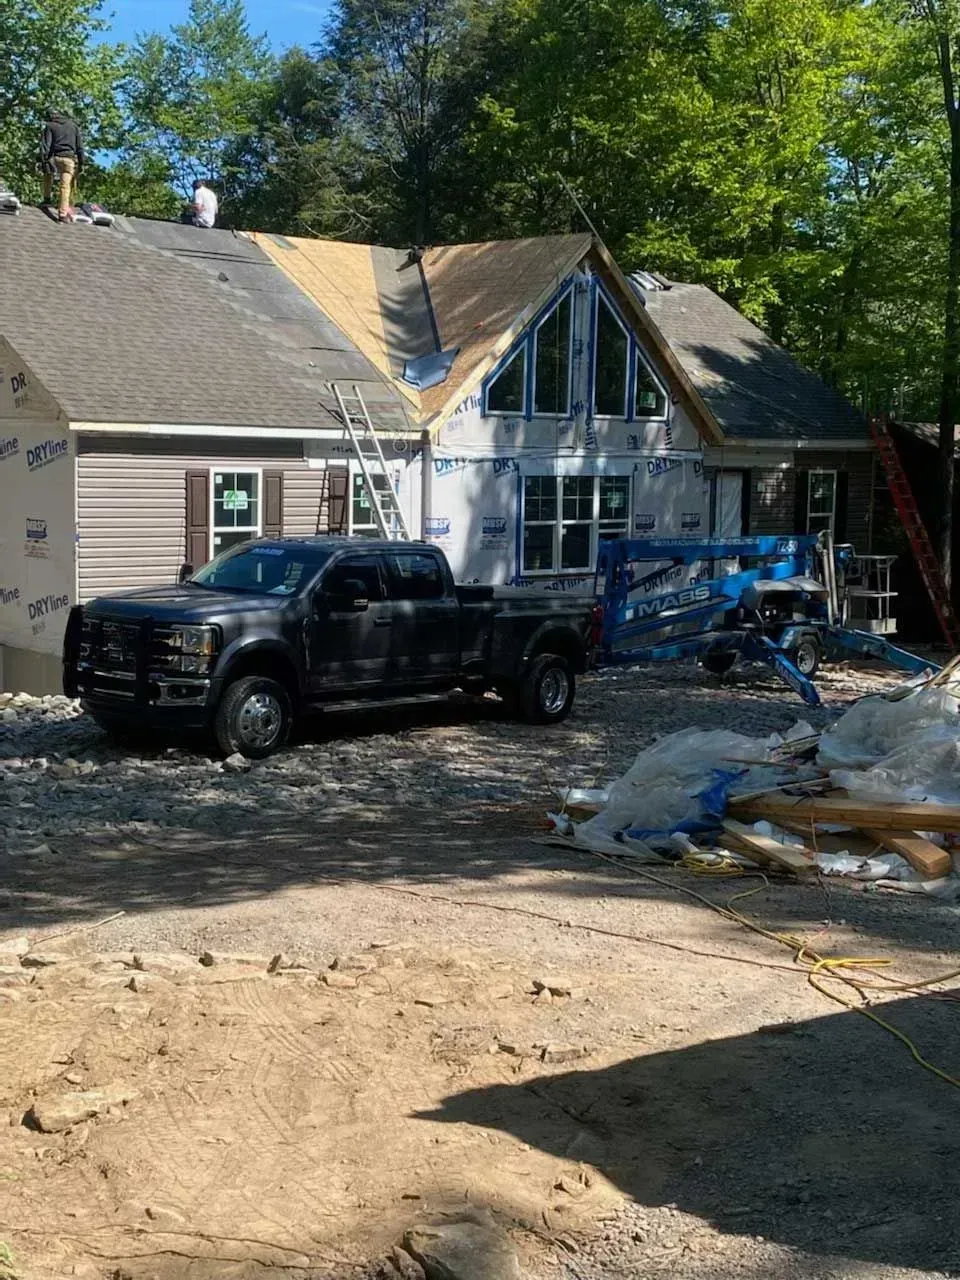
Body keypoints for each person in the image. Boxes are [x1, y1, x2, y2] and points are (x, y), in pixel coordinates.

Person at [40, 110, 84, 222]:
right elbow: (80, 147)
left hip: (54, 157)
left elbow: (46, 146)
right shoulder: (74, 126)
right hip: (69, 159)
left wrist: (43, 160)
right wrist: (81, 163)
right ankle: (62, 214)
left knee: (48, 174)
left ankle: (46, 199)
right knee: (65, 187)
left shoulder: (50, 126)